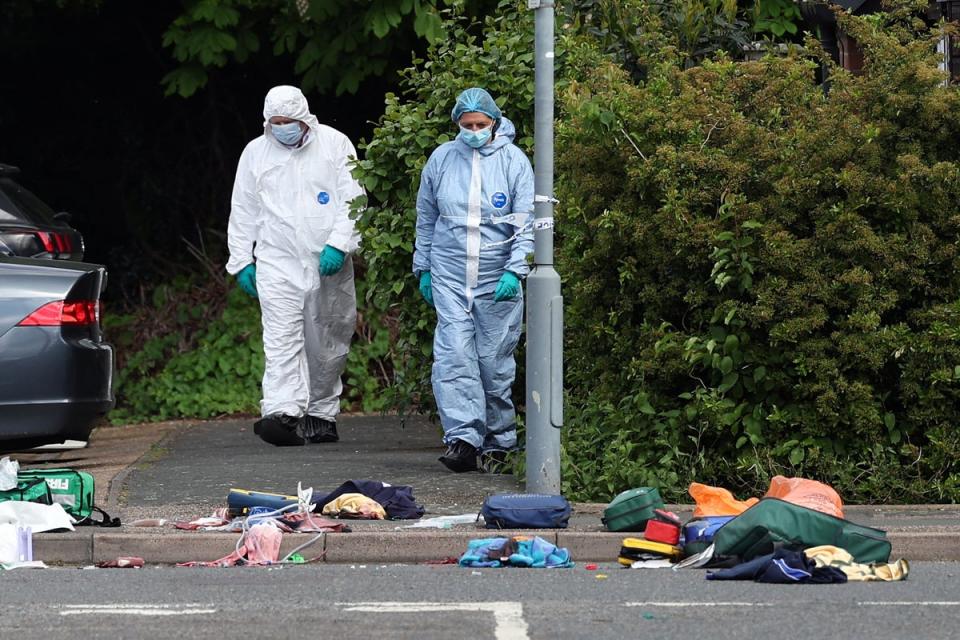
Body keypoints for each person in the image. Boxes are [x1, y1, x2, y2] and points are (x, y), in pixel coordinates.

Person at [227, 85, 362, 447]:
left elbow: (354, 197)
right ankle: (282, 412)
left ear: (304, 118)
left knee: (327, 336)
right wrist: (242, 260)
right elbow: (243, 209)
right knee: (281, 337)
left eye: (289, 121)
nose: (283, 127)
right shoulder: (256, 154)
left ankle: (320, 412)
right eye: (276, 122)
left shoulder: (334, 145)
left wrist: (338, 243)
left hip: (326, 261)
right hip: (277, 260)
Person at [413, 87, 535, 473]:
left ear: (494, 123)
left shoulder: (514, 162)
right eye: (466, 125)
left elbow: (526, 222)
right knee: (453, 357)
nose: (474, 131)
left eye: (481, 124)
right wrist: (425, 268)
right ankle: (463, 439)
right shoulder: (443, 160)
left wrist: (516, 269)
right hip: (449, 272)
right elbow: (427, 216)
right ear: (457, 125)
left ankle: (499, 441)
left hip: (495, 275)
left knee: (492, 361)